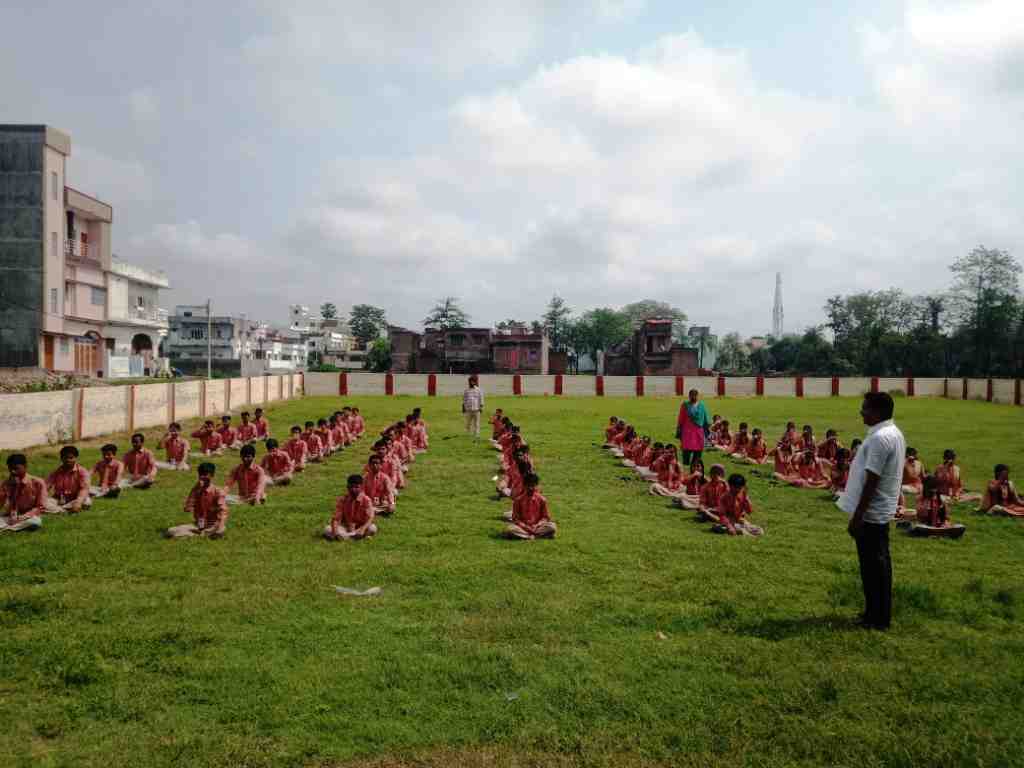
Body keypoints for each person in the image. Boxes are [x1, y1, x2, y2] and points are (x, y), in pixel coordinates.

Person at [837, 392, 905, 631]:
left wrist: (858, 516)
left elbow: (872, 479)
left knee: (873, 567)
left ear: (877, 412)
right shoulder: (892, 433)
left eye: (865, 408)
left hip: (871, 514)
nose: (861, 412)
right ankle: (875, 612)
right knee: (878, 564)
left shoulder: (880, 438)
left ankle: (876, 618)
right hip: (879, 511)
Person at [166, 463, 229, 539]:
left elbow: (223, 511)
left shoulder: (218, 492)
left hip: (212, 526)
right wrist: (195, 489)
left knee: (177, 535)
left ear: (212, 476)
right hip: (198, 525)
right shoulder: (197, 490)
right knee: (171, 531)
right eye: (201, 475)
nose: (202, 477)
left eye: (205, 474)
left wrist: (220, 526)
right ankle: (200, 534)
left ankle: (203, 534)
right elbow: (187, 508)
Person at [0, 454, 45, 533]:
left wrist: (23, 517)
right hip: (11, 516)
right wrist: (9, 488)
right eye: (10, 469)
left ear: (25, 466)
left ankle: (8, 529)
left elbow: (40, 507)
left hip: (30, 516)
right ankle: (14, 528)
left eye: (16, 469)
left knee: (36, 522)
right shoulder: (6, 483)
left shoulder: (38, 482)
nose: (12, 471)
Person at [505, 473, 556, 540]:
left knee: (552, 526)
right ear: (525, 486)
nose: (531, 488)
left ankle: (528, 536)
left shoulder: (542, 499)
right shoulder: (518, 500)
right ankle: (536, 536)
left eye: (533, 486)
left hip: (537, 527)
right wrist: (526, 527)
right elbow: (516, 519)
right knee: (510, 529)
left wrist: (538, 525)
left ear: (536, 485)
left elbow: (546, 517)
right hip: (523, 528)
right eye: (528, 486)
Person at [326, 474, 377, 540]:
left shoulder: (366, 500)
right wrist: (335, 532)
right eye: (351, 487)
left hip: (360, 527)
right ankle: (353, 537)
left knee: (372, 528)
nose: (353, 489)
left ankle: (345, 537)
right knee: (328, 529)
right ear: (347, 487)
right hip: (345, 527)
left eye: (356, 487)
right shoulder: (343, 499)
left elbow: (370, 518)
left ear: (361, 487)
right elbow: (336, 519)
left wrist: (362, 529)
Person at [46, 446, 92, 513]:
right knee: (43, 502)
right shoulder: (56, 472)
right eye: (65, 458)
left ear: (76, 458)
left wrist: (78, 502)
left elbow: (84, 489)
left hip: (75, 499)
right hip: (59, 500)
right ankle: (64, 510)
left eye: (71, 458)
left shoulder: (82, 472)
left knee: (86, 501)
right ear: (61, 458)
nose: (68, 460)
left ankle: (57, 510)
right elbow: (46, 486)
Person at [676, 388, 710, 466]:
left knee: (698, 449)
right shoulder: (685, 405)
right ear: (689, 396)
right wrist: (679, 428)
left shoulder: (701, 405)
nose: (693, 397)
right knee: (686, 448)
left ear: (698, 396)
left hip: (698, 431)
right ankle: (686, 464)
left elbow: (705, 418)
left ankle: (696, 463)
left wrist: (707, 427)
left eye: (695, 395)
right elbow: (681, 418)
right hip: (687, 431)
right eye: (692, 395)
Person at [463, 375, 485, 440]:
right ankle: (467, 434)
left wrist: (481, 407)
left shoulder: (479, 390)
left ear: (475, 382)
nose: (471, 383)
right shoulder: (466, 390)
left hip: (476, 409)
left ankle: (477, 434)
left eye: (473, 381)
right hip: (468, 409)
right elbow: (464, 399)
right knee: (468, 422)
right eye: (470, 381)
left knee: (476, 423)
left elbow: (481, 399)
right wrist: (464, 408)